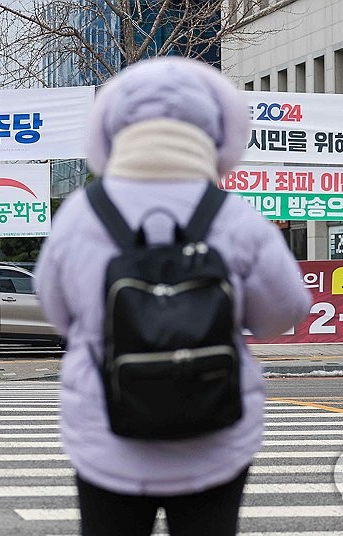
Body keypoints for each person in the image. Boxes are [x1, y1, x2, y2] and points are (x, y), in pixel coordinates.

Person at [34, 56, 314, 536]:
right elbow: (283, 313)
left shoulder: (81, 215)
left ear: (113, 129)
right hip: (213, 434)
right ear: (214, 129)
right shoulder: (235, 216)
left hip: (107, 433)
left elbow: (57, 312)